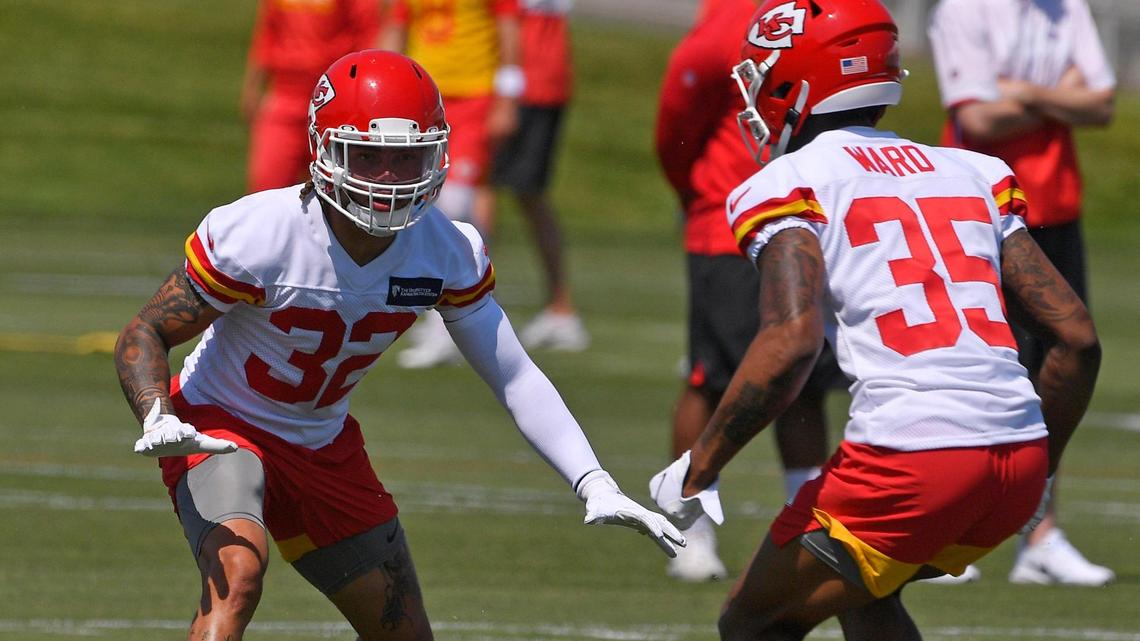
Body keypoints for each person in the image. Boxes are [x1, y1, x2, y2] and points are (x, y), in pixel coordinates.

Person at [114, 50, 683, 641]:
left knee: (404, 633)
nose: (386, 176)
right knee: (239, 574)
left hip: (323, 444)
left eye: (405, 158)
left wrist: (593, 480)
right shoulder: (261, 232)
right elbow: (145, 330)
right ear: (324, 149)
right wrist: (157, 409)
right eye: (367, 154)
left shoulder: (446, 251)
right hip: (222, 423)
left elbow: (513, 374)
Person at [648, 1, 1101, 639]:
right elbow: (1076, 338)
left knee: (754, 623)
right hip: (1017, 460)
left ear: (799, 79)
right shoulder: (974, 171)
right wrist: (1040, 465)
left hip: (911, 457)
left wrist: (702, 463)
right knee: (862, 592)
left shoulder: (791, 181)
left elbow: (792, 340)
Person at [928, 0, 1116, 587]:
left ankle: (1039, 535)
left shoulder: (1068, 8)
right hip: (979, 210)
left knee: (1057, 371)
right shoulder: (962, 10)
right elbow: (978, 120)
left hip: (1056, 208)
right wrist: (1060, 96)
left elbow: (1103, 103)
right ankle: (942, 532)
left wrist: (1024, 94)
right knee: (972, 367)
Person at [653, 0, 839, 583]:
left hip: (812, 218)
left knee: (808, 382)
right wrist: (705, 198)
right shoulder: (729, 23)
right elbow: (675, 129)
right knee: (712, 378)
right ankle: (688, 527)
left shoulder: (828, 15)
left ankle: (812, 525)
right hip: (732, 223)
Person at [380, 0, 527, 368]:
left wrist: (508, 96)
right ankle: (461, 301)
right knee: (420, 202)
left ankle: (447, 319)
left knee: (453, 204)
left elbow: (508, 26)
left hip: (476, 95)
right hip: (423, 98)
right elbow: (397, 28)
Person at [482, 0, 590, 353]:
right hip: (538, 76)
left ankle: (468, 299)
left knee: (485, 187)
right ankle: (559, 305)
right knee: (518, 194)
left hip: (525, 78)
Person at [240, 0, 382, 193]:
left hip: (334, 99)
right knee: (266, 186)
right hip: (285, 95)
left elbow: (367, 36)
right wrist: (253, 85)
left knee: (334, 191)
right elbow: (268, 31)